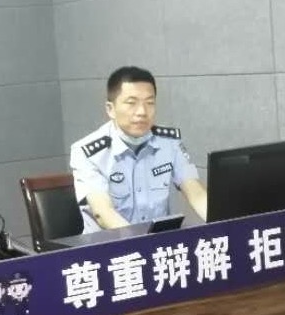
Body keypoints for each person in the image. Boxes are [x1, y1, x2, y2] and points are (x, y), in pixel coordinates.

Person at [69, 66, 207, 232]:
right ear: (110, 109)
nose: (142, 112)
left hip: (157, 242)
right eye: (131, 103)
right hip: (108, 243)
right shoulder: (87, 153)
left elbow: (197, 193)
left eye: (149, 103)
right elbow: (103, 213)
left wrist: (225, 226)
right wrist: (140, 243)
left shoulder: (169, 143)